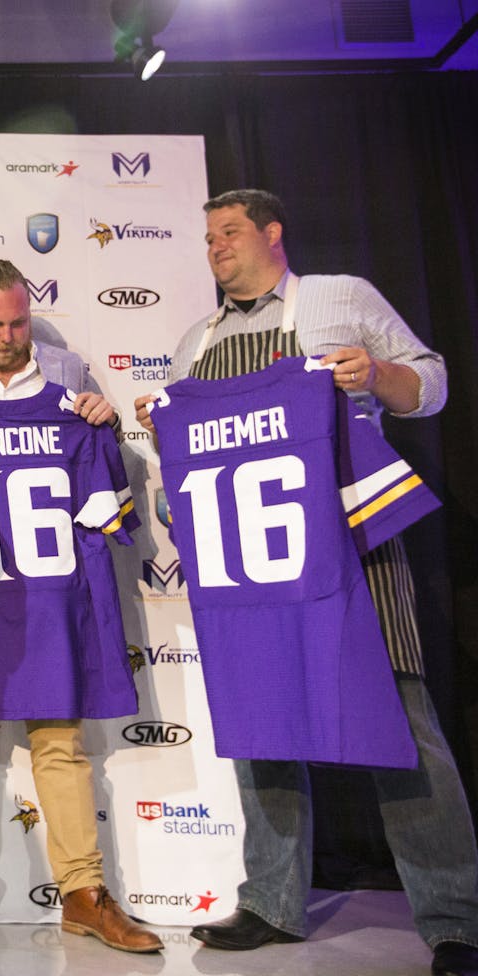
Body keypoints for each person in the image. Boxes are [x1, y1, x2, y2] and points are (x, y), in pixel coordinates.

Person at [134, 189, 478, 976]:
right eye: (209, 236)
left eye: (230, 232)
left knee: (400, 722)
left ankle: (455, 918)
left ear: (273, 233)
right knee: (262, 724)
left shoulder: (339, 298)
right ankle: (271, 901)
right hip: (250, 562)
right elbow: (175, 475)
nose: (216, 246)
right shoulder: (196, 341)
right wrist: (166, 451)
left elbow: (433, 381)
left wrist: (379, 372)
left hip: (350, 548)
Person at [0, 258, 162, 953]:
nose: (10, 334)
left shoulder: (68, 371)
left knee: (60, 739)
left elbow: (106, 466)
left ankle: (83, 890)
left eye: (19, 319)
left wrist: (104, 423)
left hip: (51, 588)